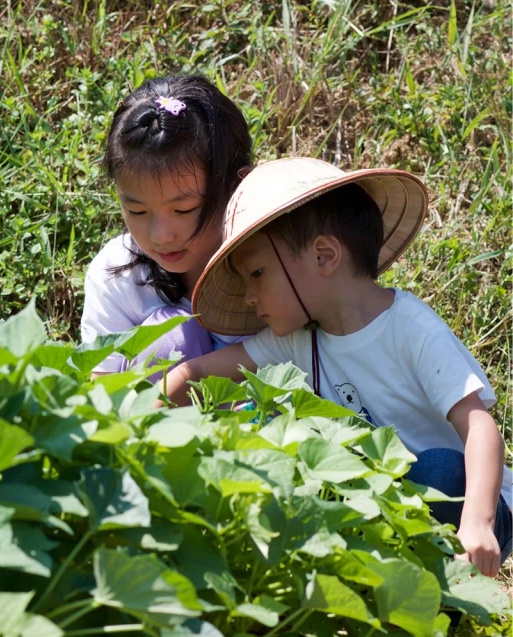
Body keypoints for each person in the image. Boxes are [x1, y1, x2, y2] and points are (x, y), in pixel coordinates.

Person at [164, 156, 512, 577]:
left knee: (438, 468)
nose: (250, 297)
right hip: (384, 510)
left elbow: (479, 427)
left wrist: (478, 522)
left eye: (257, 273)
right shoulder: (294, 341)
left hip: (469, 503)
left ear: (324, 256)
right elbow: (196, 375)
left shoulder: (409, 326)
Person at [80, 75, 252, 377]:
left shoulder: (279, 261)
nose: (161, 236)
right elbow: (101, 392)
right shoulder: (118, 276)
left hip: (272, 420)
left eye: (184, 209)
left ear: (237, 182)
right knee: (168, 337)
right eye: (137, 211)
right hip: (153, 420)